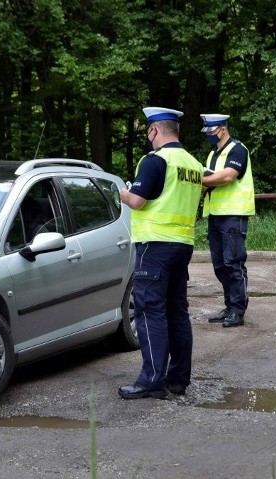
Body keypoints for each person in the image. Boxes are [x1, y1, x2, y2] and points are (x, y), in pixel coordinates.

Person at [117, 106, 205, 399]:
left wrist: (121, 192)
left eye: (148, 131)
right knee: (177, 311)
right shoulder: (192, 163)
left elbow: (139, 201)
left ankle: (151, 380)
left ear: (154, 130)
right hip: (183, 245)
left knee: (149, 312)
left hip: (154, 245)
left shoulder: (155, 160)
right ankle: (178, 379)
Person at [200, 114, 255, 328]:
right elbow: (211, 181)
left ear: (222, 129)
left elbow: (227, 177)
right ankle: (230, 306)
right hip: (215, 215)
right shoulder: (213, 154)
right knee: (220, 265)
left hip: (233, 214)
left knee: (233, 263)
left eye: (211, 131)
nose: (209, 136)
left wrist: (199, 179)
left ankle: (238, 310)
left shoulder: (238, 150)